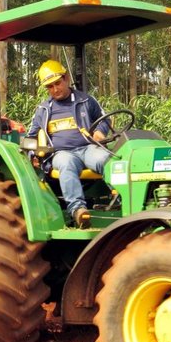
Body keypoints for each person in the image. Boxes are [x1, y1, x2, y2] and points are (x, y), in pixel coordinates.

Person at [27, 60, 110, 229]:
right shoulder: (43, 109)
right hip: (61, 153)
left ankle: (124, 199)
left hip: (88, 148)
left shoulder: (86, 100)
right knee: (66, 163)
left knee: (106, 160)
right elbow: (32, 135)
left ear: (65, 78)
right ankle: (78, 211)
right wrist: (31, 154)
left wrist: (100, 132)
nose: (55, 89)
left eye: (57, 83)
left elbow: (105, 119)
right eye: (50, 86)